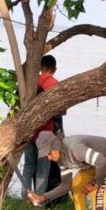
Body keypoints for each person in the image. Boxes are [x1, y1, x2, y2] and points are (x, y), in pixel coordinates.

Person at [28, 132, 106, 210]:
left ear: (56, 146)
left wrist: (94, 183)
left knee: (97, 192)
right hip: (96, 163)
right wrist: (42, 197)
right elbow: (66, 185)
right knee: (76, 187)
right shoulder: (60, 158)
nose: (49, 158)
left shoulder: (74, 149)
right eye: (46, 155)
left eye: (50, 153)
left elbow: (101, 161)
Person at [22, 55, 62, 200]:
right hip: (45, 132)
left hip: (28, 132)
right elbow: (60, 112)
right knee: (42, 168)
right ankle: (38, 200)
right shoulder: (55, 84)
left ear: (40, 67)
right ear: (54, 69)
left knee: (28, 166)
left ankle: (24, 197)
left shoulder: (31, 82)